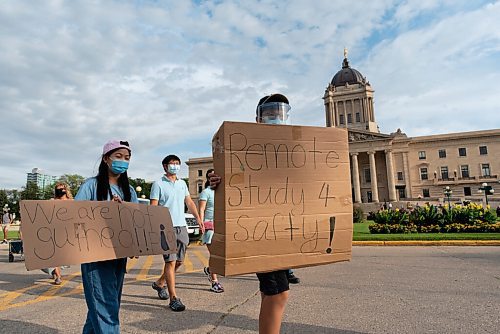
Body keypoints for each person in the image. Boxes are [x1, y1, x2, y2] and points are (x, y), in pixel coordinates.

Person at [210, 93, 298, 334]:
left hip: (280, 229)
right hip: (259, 231)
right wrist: (216, 178)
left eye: (279, 113)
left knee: (274, 292)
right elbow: (233, 177)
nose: (275, 117)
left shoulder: (290, 151)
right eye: (269, 113)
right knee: (278, 292)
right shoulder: (245, 149)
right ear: (258, 119)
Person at [74, 140, 138, 333]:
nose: (123, 161)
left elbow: (136, 221)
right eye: (118, 156)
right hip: (95, 257)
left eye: (127, 158)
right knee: (106, 308)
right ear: (105, 159)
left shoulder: (130, 191)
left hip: (119, 256)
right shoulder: (91, 186)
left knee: (104, 304)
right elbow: (74, 216)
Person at [150, 154, 204, 312]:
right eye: (172, 163)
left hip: (182, 227)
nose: (175, 166)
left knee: (179, 261)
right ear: (165, 166)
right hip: (165, 227)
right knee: (170, 262)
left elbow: (189, 202)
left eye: (177, 163)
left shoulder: (182, 184)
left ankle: (160, 283)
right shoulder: (158, 184)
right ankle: (173, 298)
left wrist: (198, 218)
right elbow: (153, 207)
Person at [41, 182, 73, 285]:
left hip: (66, 232)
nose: (60, 191)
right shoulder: (52, 201)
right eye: (58, 189)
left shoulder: (72, 202)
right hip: (53, 231)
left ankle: (55, 271)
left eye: (62, 189)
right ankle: (58, 275)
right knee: (54, 255)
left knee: (62, 256)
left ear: (65, 190)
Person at [200, 169, 224, 293]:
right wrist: (201, 223)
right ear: (208, 179)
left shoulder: (222, 192)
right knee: (213, 255)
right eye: (211, 176)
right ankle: (214, 281)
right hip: (210, 225)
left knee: (220, 255)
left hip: (221, 226)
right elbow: (202, 209)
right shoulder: (206, 192)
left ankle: (210, 269)